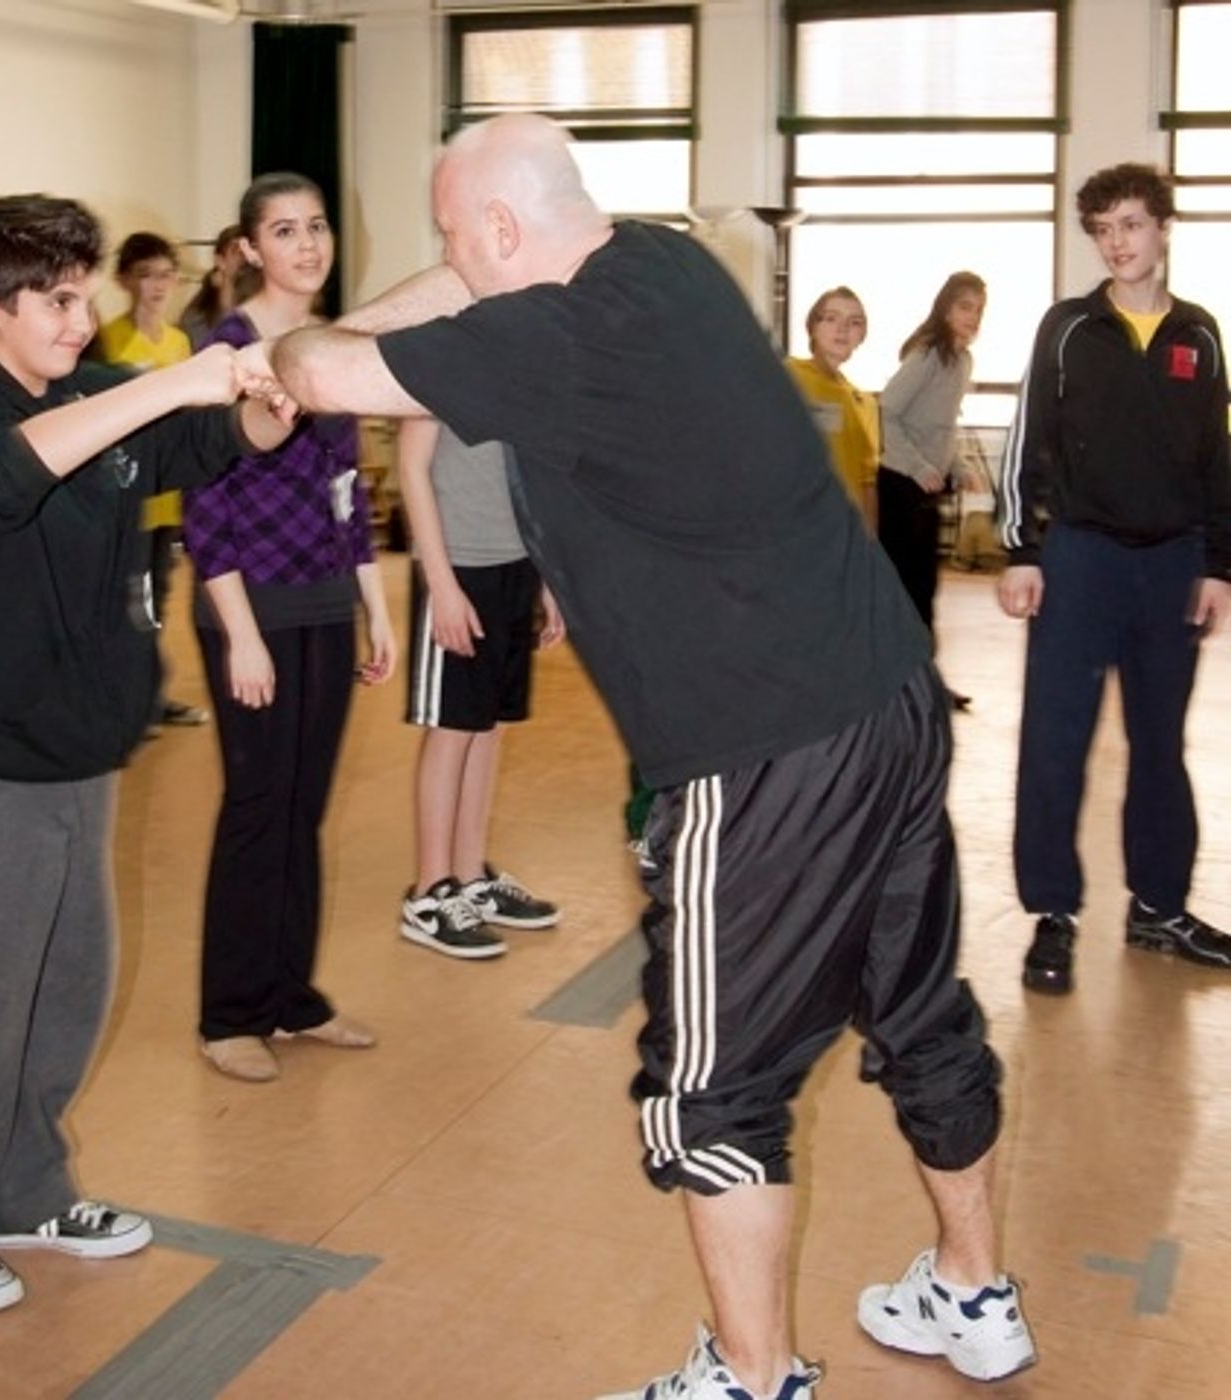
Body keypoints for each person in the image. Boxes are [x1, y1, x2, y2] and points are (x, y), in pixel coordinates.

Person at [268, 114, 1035, 1400]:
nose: (448, 261)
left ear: (501, 228)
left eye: (455, 236)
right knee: (919, 1012)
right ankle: (972, 1289)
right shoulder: (664, 262)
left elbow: (329, 372)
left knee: (709, 1086)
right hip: (886, 695)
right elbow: (459, 289)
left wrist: (274, 348)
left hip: (760, 755)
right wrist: (434, 280)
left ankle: (752, 1375)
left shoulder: (556, 341)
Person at [0, 193, 292, 1315]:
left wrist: (268, 402)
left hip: (75, 747)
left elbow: (214, 441)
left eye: (81, 294)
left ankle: (26, 1189)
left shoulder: (94, 393)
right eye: (55, 300)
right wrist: (167, 382)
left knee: (67, 991)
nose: (79, 316)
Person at [998, 162, 1231, 995]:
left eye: (1130, 224)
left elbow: (1217, 459)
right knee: (1056, 740)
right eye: (1102, 230)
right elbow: (1027, 438)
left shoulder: (1200, 334)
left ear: (1163, 227)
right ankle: (1052, 913)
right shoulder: (1067, 328)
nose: (1116, 242)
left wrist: (1219, 565)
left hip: (1173, 565)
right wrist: (1022, 549)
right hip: (1081, 560)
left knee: (1161, 743)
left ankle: (1159, 908)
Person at [185, 172, 395, 1084]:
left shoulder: (333, 347)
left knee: (304, 806)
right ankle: (229, 1015)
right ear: (249, 248)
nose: (307, 245)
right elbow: (205, 504)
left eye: (316, 227)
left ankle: (291, 998)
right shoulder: (227, 351)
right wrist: (240, 633)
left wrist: (376, 607)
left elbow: (347, 493)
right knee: (257, 804)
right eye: (284, 230)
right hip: (251, 606)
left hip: (322, 603)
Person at [398, 415, 563, 960]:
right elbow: (412, 466)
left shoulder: (517, 375)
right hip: (459, 567)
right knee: (453, 729)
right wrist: (441, 584)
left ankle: (470, 877)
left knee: (490, 726)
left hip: (515, 563)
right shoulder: (439, 370)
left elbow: (532, 473)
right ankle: (429, 892)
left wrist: (547, 576)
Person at [94, 229, 208, 730]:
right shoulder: (108, 341)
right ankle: (131, 700)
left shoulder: (180, 341)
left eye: (166, 275)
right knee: (129, 600)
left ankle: (150, 696)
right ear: (124, 280)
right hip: (125, 494)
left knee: (156, 597)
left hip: (168, 494)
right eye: (146, 275)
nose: (158, 286)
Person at [878, 272, 987, 710]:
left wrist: (958, 467)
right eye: (964, 307)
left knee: (926, 591)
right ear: (945, 308)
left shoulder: (962, 361)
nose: (973, 317)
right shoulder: (927, 354)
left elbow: (941, 427)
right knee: (907, 590)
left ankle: (924, 683)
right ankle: (900, 690)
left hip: (926, 488)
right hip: (901, 485)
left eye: (979, 310)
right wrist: (920, 467)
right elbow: (886, 413)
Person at [786, 286, 879, 531]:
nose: (842, 329)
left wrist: (869, 543)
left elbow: (867, 483)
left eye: (854, 322)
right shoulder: (787, 376)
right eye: (831, 318)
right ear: (813, 327)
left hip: (843, 532)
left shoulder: (864, 403)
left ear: (862, 336)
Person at [180, 222, 251, 352]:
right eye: (237, 251)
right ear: (220, 261)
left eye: (249, 251)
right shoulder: (195, 322)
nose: (245, 258)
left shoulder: (264, 315)